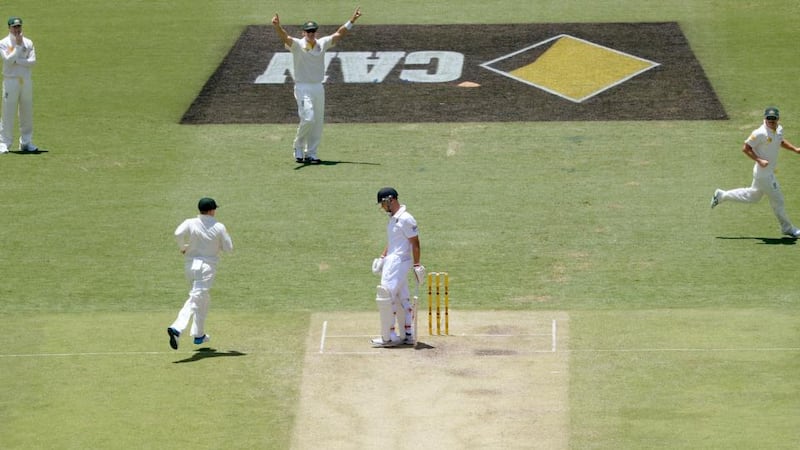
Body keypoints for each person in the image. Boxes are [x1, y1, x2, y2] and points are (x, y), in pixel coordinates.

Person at [271, 7, 362, 164]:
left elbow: (339, 34)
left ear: (316, 33)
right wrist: (277, 26)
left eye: (313, 31)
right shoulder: (297, 45)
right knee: (308, 118)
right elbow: (285, 37)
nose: (311, 34)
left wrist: (352, 21)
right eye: (308, 31)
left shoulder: (322, 43)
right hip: (302, 87)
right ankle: (298, 147)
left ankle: (312, 153)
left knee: (317, 122)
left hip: (318, 87)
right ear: (303, 33)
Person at [711, 107, 800, 238]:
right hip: (764, 173)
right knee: (778, 200)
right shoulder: (759, 133)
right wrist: (759, 160)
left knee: (753, 196)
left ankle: (722, 195)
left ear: (778, 119)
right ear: (764, 118)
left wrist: (795, 149)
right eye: (768, 118)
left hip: (766, 172)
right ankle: (787, 228)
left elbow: (780, 141)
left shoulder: (779, 129)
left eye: (773, 118)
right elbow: (745, 148)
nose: (771, 121)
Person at [167, 198, 234, 350]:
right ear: (211, 210)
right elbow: (229, 248)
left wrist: (183, 246)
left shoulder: (190, 222)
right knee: (197, 297)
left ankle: (199, 335)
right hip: (207, 267)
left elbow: (177, 233)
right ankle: (177, 328)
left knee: (203, 298)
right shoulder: (218, 226)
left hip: (190, 266)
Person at [370, 187, 425, 347]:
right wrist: (382, 256)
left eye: (383, 203)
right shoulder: (394, 218)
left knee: (385, 297)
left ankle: (389, 337)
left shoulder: (406, 219)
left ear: (390, 200)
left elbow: (415, 242)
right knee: (402, 299)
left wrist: (417, 264)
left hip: (398, 262)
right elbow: (394, 241)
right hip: (393, 260)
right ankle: (408, 334)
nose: (382, 207)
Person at [0, 17, 36, 154]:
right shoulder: (3, 43)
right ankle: (4, 143)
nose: (17, 30)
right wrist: (19, 47)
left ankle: (26, 142)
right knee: (8, 112)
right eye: (14, 27)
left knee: (26, 112)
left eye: (18, 27)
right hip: (10, 80)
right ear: (9, 28)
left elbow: (32, 62)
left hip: (26, 80)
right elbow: (8, 61)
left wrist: (18, 60)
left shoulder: (29, 42)